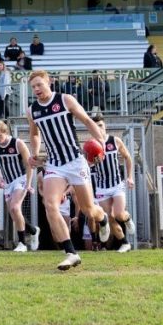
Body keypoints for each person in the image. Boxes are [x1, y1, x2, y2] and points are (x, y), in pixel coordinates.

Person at [25, 69, 112, 270]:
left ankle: (103, 218)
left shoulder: (65, 100)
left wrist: (101, 142)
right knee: (50, 204)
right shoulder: (32, 111)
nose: (36, 89)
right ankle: (71, 252)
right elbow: (34, 134)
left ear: (49, 83)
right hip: (55, 164)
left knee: (90, 210)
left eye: (39, 84)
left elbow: (88, 121)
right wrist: (35, 152)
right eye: (33, 87)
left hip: (75, 161)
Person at [0, 121, 40, 252]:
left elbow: (28, 165)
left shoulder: (18, 143)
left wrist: (28, 183)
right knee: (14, 213)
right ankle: (33, 230)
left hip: (20, 178)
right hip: (8, 181)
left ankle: (22, 243)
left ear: (5, 132)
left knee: (15, 207)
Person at [88, 113, 136, 253]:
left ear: (105, 126)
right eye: (95, 127)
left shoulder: (115, 141)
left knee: (119, 214)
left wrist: (130, 177)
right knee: (110, 217)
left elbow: (127, 157)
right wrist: (90, 162)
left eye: (101, 126)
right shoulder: (91, 145)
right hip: (102, 187)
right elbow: (87, 164)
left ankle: (127, 219)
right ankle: (125, 243)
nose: (99, 129)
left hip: (116, 185)